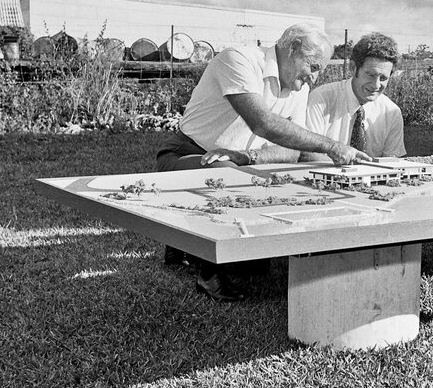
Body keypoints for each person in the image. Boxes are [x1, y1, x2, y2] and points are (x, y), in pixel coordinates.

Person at [155, 23, 372, 301]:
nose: (314, 78)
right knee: (227, 177)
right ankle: (208, 274)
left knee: (254, 264)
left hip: (236, 162)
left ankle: (184, 242)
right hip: (186, 153)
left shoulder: (298, 86)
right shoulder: (239, 59)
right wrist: (331, 145)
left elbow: (294, 149)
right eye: (313, 66)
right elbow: (263, 124)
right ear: (292, 49)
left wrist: (247, 156)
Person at [303, 32, 406, 160]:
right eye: (371, 75)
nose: (376, 85)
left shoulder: (391, 112)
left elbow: (392, 162)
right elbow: (308, 154)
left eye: (383, 78)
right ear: (353, 68)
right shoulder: (321, 100)